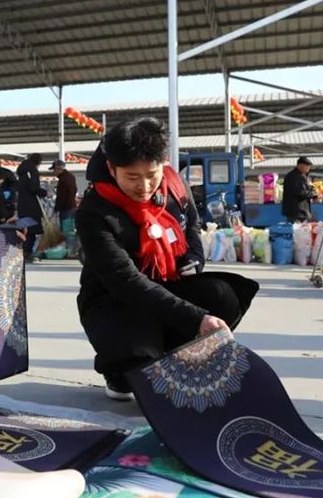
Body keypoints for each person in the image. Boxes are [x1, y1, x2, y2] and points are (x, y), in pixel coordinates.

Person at [76, 117, 257, 401]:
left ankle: (173, 356)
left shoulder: (172, 185)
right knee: (137, 364)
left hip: (166, 284)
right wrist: (196, 319)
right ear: (112, 169)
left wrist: (194, 259)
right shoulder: (95, 210)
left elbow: (192, 225)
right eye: (132, 177)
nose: (145, 186)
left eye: (152, 174)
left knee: (223, 296)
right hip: (116, 299)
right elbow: (125, 281)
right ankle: (122, 370)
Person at [16, 153, 47, 263]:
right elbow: (34, 188)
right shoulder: (32, 171)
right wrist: (43, 192)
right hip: (31, 206)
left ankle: (23, 252)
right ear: (38, 162)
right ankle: (27, 253)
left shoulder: (22, 172)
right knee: (32, 231)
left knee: (25, 229)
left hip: (23, 205)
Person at [51, 159, 78, 257]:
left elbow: (61, 197)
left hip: (66, 208)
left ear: (59, 169)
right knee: (70, 230)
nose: (53, 172)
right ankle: (72, 251)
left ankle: (70, 252)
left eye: (54, 170)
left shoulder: (63, 179)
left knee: (67, 230)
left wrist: (56, 208)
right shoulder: (71, 177)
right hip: (71, 207)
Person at [281, 156, 318, 223]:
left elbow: (309, 188)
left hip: (303, 211)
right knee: (297, 231)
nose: (308, 169)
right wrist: (312, 194)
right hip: (295, 211)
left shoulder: (304, 176)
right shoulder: (292, 177)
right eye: (307, 167)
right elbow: (299, 192)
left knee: (304, 231)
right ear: (300, 166)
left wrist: (314, 193)